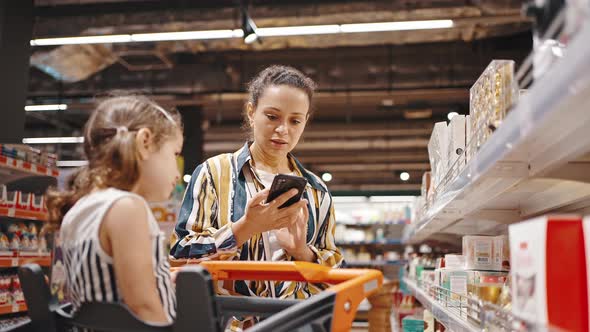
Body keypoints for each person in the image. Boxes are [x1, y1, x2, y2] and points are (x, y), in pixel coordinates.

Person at [170, 65, 343, 330]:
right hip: (229, 323)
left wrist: (302, 252)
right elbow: (181, 253)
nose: (283, 130)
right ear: (251, 112)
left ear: (306, 121)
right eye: (272, 116)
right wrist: (245, 228)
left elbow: (335, 273)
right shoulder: (213, 174)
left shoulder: (316, 190)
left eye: (295, 120)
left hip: (295, 322)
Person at [46, 95, 183, 324]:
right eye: (174, 153)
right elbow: (143, 307)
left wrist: (161, 283)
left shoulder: (79, 210)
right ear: (144, 142)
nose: (177, 173)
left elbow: (105, 288)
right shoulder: (127, 208)